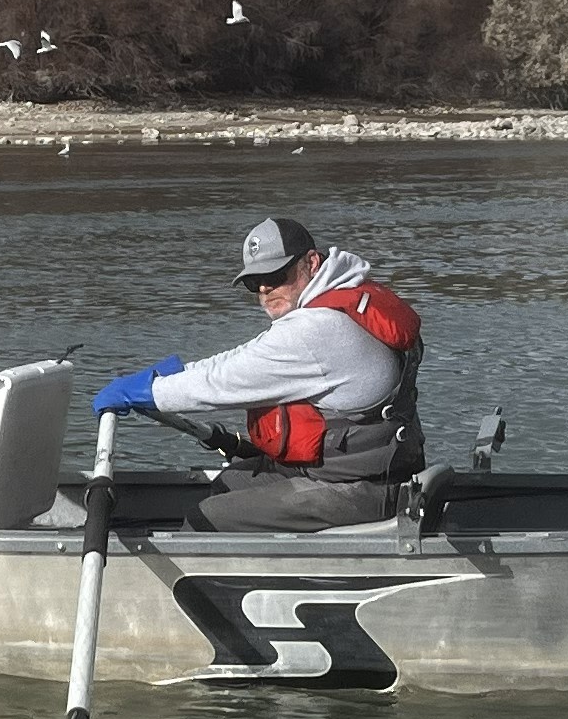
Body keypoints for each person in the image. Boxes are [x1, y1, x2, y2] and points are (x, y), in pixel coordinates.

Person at [93, 217, 424, 533]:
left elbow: (221, 384)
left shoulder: (315, 329)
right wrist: (169, 374)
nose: (265, 289)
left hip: (361, 489)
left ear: (310, 263)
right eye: (254, 282)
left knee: (204, 518)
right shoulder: (342, 298)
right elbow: (243, 358)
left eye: (277, 274)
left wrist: (150, 393)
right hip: (365, 472)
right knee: (224, 485)